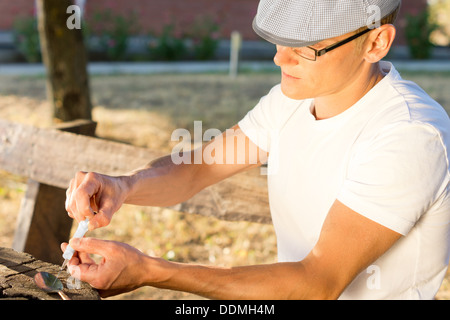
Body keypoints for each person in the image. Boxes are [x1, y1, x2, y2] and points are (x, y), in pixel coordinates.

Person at [63, 0, 450, 299]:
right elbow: (198, 168)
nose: (281, 58)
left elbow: (317, 284)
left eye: (309, 47)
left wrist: (151, 271)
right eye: (282, 39)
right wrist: (123, 186)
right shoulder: (295, 98)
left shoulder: (410, 135)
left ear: (376, 43)